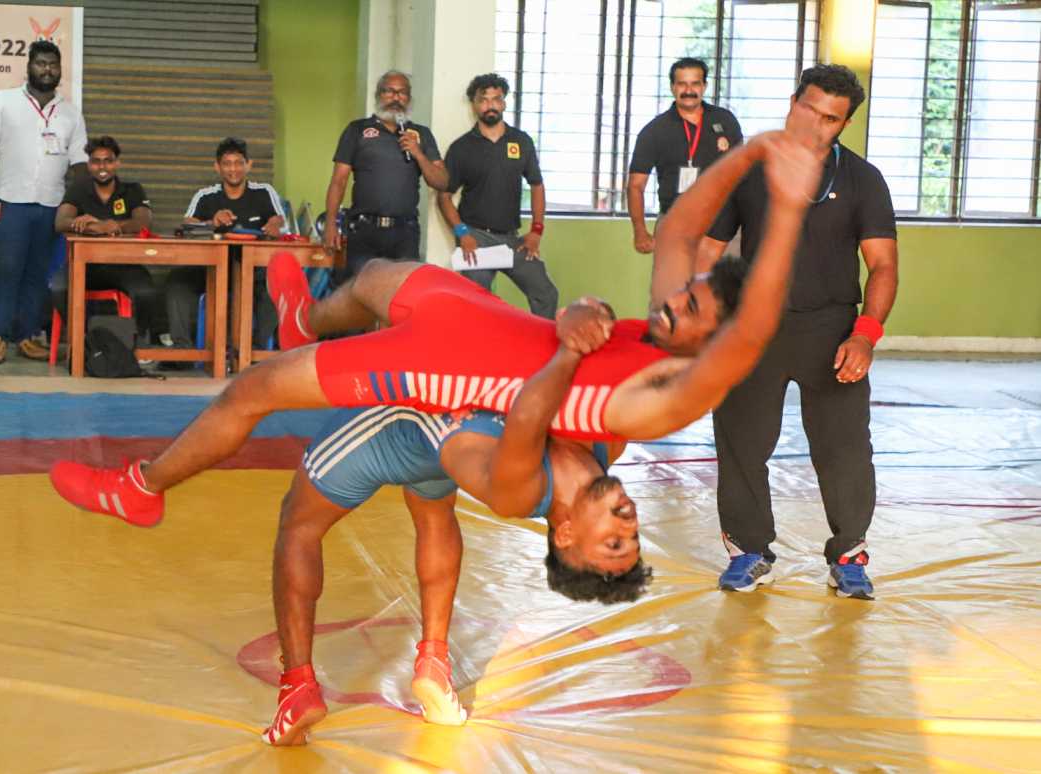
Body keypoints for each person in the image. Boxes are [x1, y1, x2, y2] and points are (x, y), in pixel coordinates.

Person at [48, 125, 823, 592]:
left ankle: (142, 488)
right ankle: (305, 318)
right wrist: (755, 151)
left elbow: (746, 337)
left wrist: (787, 206)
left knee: (252, 388)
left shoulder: (658, 401)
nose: (671, 303)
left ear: (707, 348)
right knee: (375, 279)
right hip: (481, 318)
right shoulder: (654, 335)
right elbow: (680, 228)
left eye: (690, 311)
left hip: (445, 366)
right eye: (684, 296)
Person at [262, 304, 638, 744]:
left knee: (299, 524)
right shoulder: (605, 448)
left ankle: (298, 686)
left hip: (407, 424)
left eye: (614, 541)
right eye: (633, 536)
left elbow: (532, 406)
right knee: (434, 505)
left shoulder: (521, 485)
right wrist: (594, 320)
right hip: (446, 442)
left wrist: (572, 338)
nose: (629, 522)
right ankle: (434, 662)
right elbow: (610, 360)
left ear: (567, 534)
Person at [697, 64, 899, 600]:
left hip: (832, 331)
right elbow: (709, 249)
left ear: (844, 125)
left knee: (844, 448)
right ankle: (750, 551)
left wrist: (865, 335)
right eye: (808, 109)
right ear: (793, 103)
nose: (815, 123)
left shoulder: (862, 180)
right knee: (741, 443)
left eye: (830, 118)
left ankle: (849, 553)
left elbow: (882, 265)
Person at [0, 39, 87, 364]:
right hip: (11, 201)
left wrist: (78, 205)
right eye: (41, 63)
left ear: (60, 69)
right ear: (29, 67)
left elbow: (80, 163)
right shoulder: (3, 101)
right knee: (8, 269)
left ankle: (26, 336)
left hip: (52, 206)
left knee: (38, 274)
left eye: (53, 64)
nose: (47, 69)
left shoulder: (70, 114)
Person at [437, 73, 557, 318]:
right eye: (483, 100)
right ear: (474, 105)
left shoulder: (521, 141)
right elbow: (444, 197)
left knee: (545, 294)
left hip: (512, 239)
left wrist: (536, 230)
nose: (489, 105)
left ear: (503, 103)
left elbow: (537, 185)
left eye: (496, 99)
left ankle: (540, 341)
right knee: (478, 304)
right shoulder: (461, 148)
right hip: (476, 239)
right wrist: (462, 233)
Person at [165, 137, 287, 359]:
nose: (233, 169)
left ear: (249, 165)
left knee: (272, 287)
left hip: (253, 271)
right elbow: (186, 227)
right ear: (217, 167)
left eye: (239, 163)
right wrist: (211, 222)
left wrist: (274, 224)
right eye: (227, 164)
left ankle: (255, 353)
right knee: (176, 283)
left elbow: (279, 220)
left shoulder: (264, 192)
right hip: (210, 270)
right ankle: (182, 352)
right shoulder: (205, 195)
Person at [323, 70, 448, 283]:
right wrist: (330, 223)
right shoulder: (357, 130)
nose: (396, 98)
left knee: (402, 293)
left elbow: (442, 181)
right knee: (359, 292)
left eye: (402, 92)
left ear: (409, 98)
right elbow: (338, 181)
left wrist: (418, 153)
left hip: (405, 233)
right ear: (378, 95)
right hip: (364, 230)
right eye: (389, 91)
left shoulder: (421, 134)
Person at [626, 57, 743, 255]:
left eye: (695, 83)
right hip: (675, 223)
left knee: (727, 276)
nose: (689, 90)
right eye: (682, 84)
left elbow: (743, 171)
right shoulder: (655, 131)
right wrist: (640, 231)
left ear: (704, 86)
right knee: (674, 276)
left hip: (724, 224)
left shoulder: (725, 120)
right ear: (672, 87)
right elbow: (636, 186)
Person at [49, 136, 158, 344]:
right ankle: (83, 341)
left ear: (117, 163)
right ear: (89, 164)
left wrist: (111, 225)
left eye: (108, 161)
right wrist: (95, 227)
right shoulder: (79, 190)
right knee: (59, 288)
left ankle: (139, 343)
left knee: (146, 292)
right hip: (84, 266)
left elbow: (143, 222)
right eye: (96, 161)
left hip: (124, 266)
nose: (102, 167)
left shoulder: (132, 190)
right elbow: (61, 222)